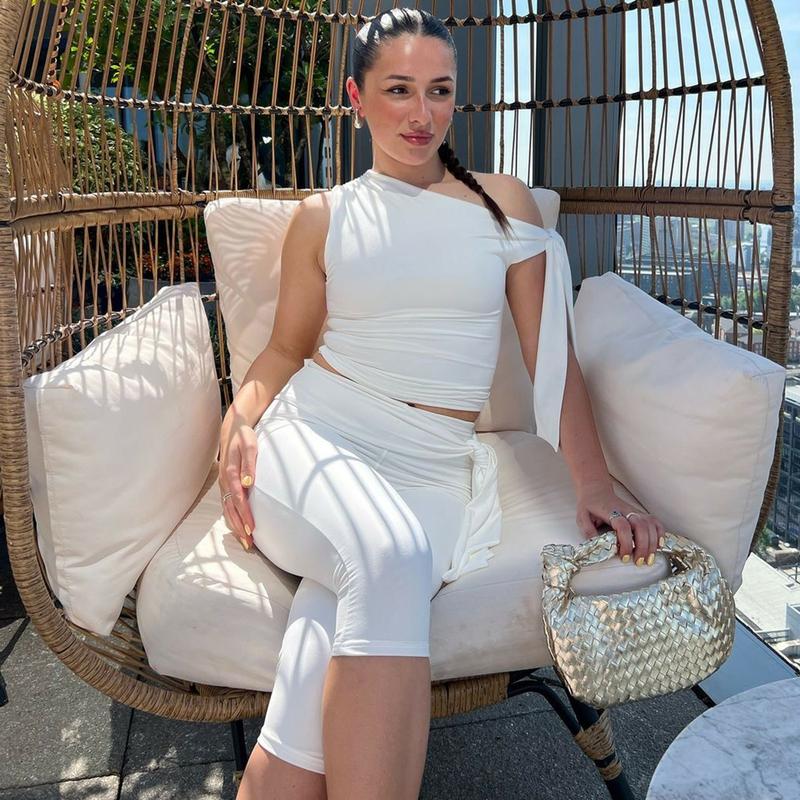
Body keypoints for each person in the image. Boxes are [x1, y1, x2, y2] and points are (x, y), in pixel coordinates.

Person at [218, 8, 667, 799]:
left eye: (439, 90)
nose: (421, 114)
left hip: (431, 469)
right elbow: (285, 351)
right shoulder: (325, 216)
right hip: (317, 434)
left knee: (326, 632)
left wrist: (594, 482)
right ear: (356, 97)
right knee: (388, 556)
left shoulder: (504, 204)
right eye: (398, 89)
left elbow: (552, 358)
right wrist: (239, 421)